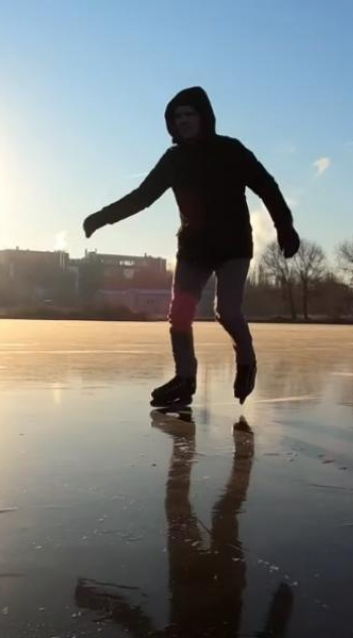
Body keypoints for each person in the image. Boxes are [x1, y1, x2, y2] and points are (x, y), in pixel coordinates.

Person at [83, 86, 299, 407]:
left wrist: (284, 227)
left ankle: (247, 361)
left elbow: (266, 186)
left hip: (233, 245)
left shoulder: (231, 150)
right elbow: (142, 197)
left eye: (189, 114)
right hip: (194, 249)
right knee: (180, 315)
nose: (183, 121)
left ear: (203, 117)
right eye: (177, 116)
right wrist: (102, 217)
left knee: (226, 311)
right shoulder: (173, 160)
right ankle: (185, 378)